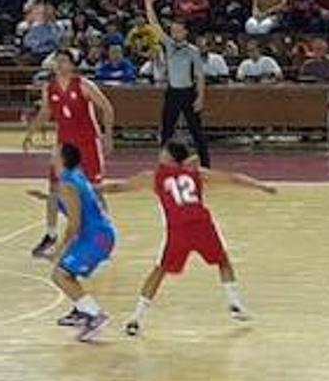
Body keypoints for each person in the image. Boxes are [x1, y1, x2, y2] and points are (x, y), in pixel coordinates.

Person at [101, 140, 276, 336]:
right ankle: (235, 303)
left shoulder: (153, 177)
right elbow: (232, 178)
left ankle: (136, 318)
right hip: (202, 225)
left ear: (171, 158)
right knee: (223, 262)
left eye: (163, 153)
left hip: (178, 230)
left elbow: (119, 186)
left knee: (159, 272)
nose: (160, 155)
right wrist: (261, 185)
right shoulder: (196, 173)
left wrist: (95, 188)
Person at [22, 48, 115, 258]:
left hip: (87, 144)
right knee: (55, 187)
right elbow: (46, 112)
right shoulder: (50, 87)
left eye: (64, 61)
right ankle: (51, 234)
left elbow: (107, 108)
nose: (60, 65)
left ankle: (103, 235)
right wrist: (30, 133)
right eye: (57, 61)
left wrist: (108, 135)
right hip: (64, 146)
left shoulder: (83, 84)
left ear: (72, 65)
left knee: (95, 190)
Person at [27, 143, 115, 341]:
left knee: (60, 275)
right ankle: (81, 311)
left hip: (97, 237)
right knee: (66, 272)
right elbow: (78, 200)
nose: (52, 152)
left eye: (55, 151)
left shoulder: (67, 183)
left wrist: (59, 250)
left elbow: (73, 225)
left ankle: (95, 315)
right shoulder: (73, 175)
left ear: (62, 159)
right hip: (96, 234)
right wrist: (46, 197)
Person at [144, 0, 210, 166]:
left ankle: (205, 165)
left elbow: (200, 76)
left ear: (185, 32)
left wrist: (200, 98)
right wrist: (148, 3)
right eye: (172, 31)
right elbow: (155, 25)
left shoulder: (193, 51)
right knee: (166, 130)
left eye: (177, 31)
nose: (174, 34)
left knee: (197, 131)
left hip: (188, 92)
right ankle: (164, 163)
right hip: (173, 91)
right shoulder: (169, 44)